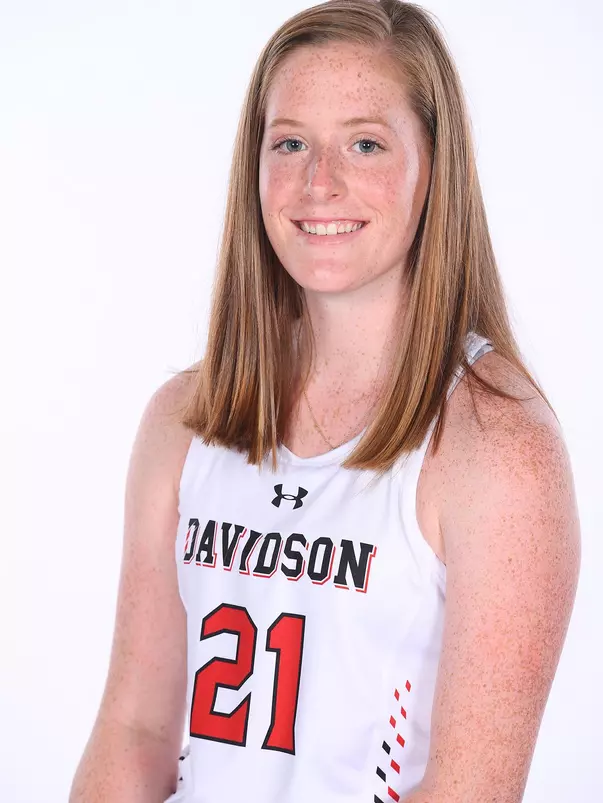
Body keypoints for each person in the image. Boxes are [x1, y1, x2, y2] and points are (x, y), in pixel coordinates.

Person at [68, 1, 581, 802]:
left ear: (434, 167)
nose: (319, 182)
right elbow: (133, 731)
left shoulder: (496, 446)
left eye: (365, 143)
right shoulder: (183, 421)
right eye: (291, 142)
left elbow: (470, 790)